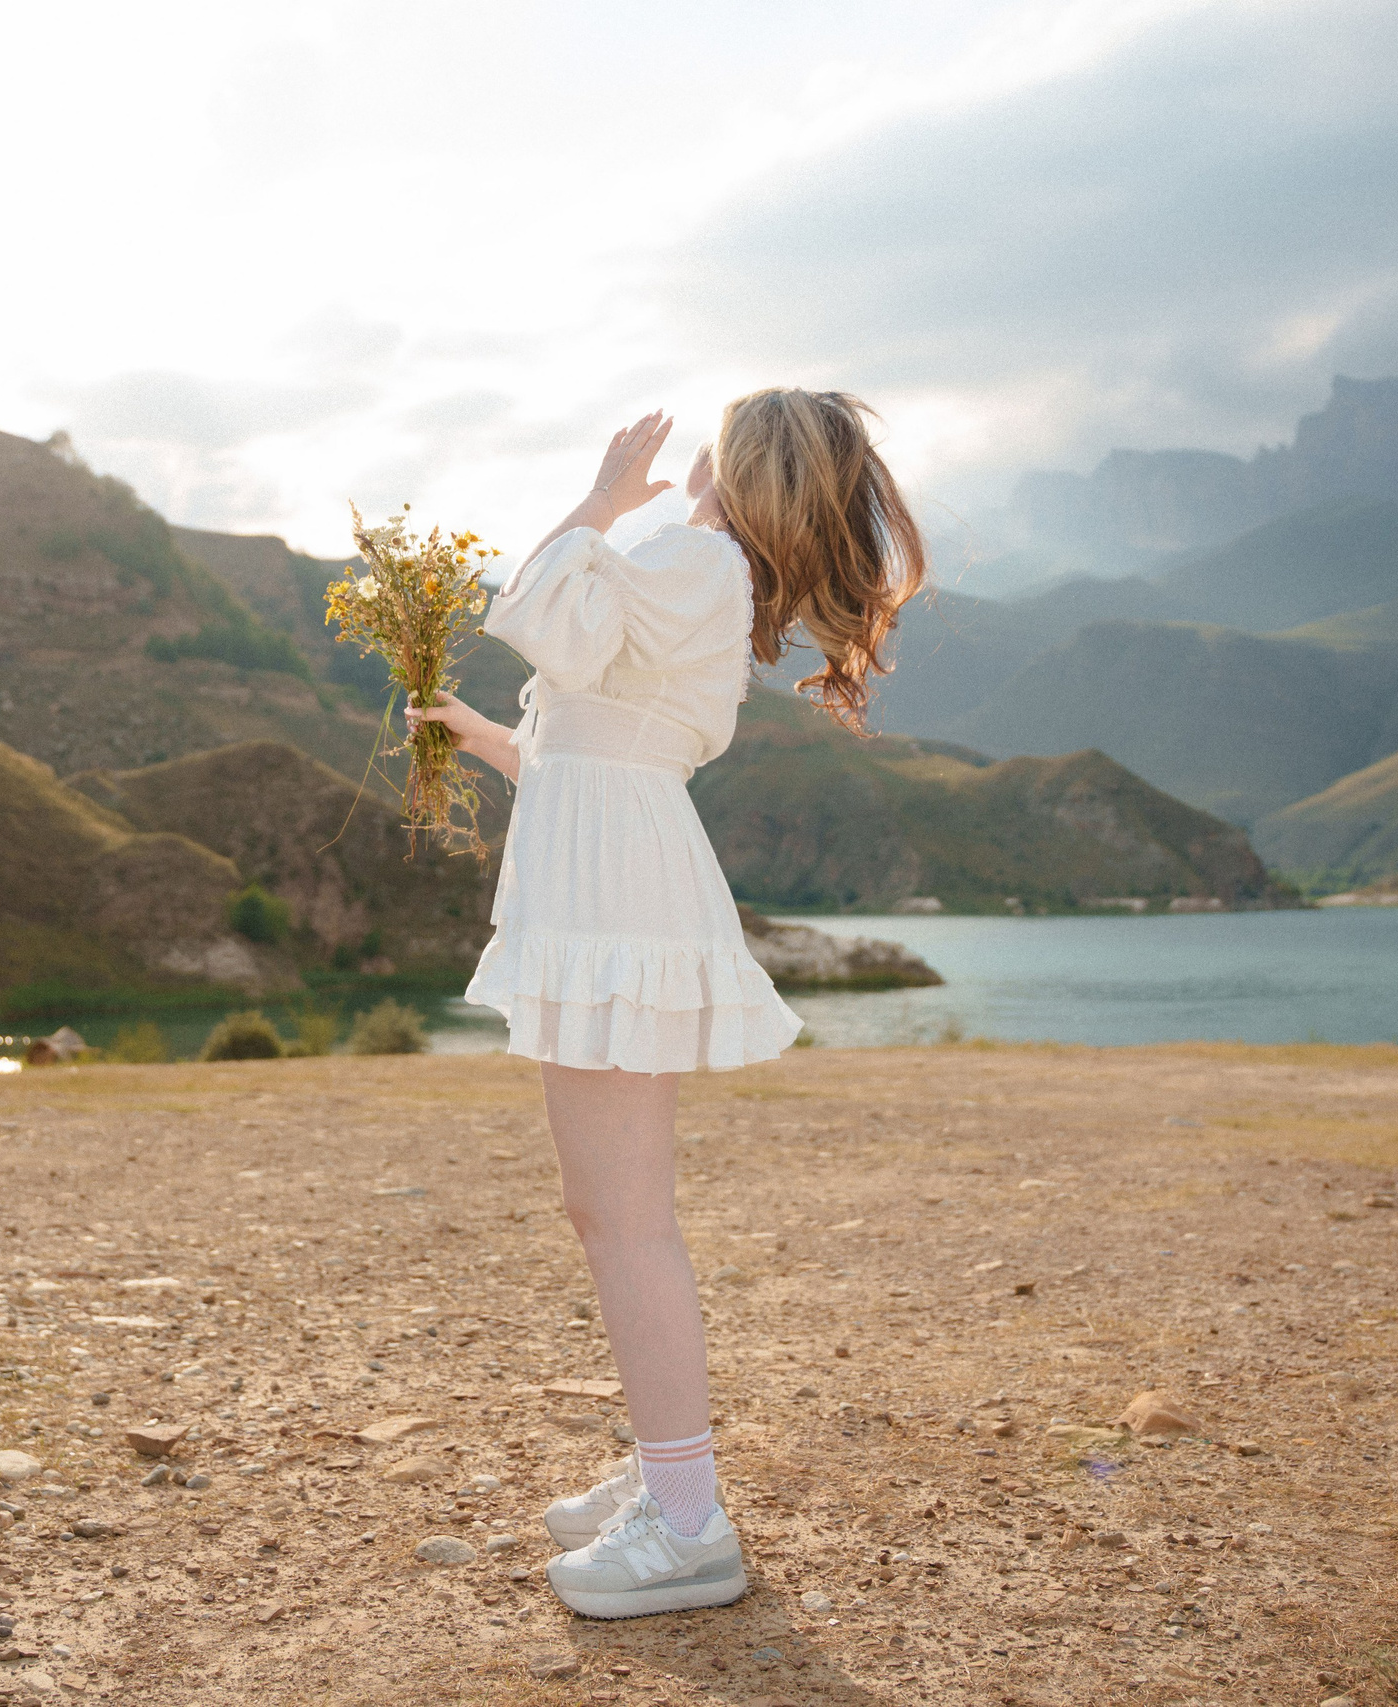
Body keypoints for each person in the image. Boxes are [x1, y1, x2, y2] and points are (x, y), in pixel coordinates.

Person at [406, 389, 925, 1619]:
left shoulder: (690, 556)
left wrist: (597, 500)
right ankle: (662, 1468)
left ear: (732, 464)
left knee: (626, 1219)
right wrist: (482, 735)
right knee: (605, 1209)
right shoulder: (704, 577)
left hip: (615, 900)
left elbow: (536, 615)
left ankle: (688, 1522)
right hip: (607, 879)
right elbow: (589, 746)